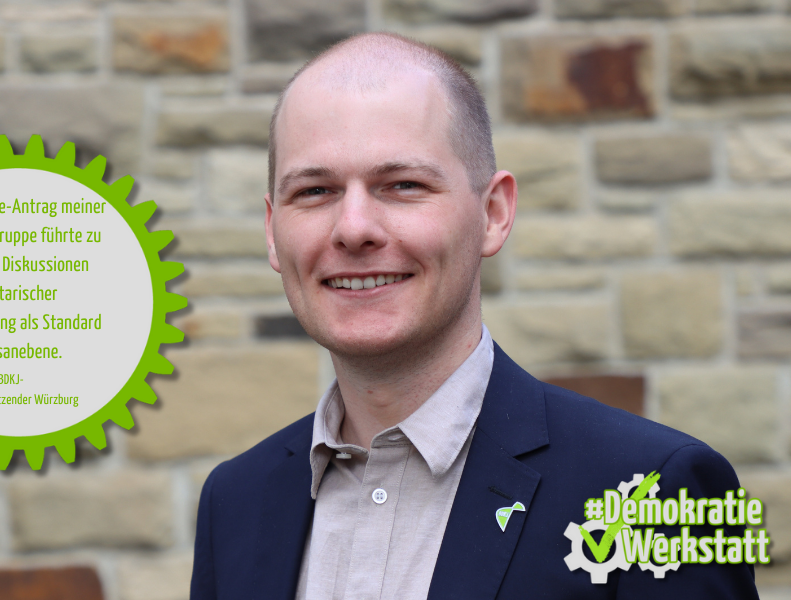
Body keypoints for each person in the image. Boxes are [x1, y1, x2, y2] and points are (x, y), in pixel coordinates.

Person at [190, 32, 759, 599]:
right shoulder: (234, 503)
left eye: (402, 185)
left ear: (493, 213)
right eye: (315, 191)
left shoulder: (652, 492)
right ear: (272, 231)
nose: (353, 228)